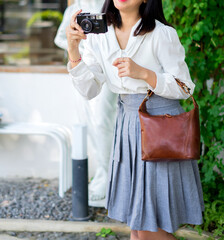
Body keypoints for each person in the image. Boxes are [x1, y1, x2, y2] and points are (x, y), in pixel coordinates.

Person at [66, 0, 205, 239]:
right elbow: (89, 90)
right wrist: (73, 49)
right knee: (138, 227)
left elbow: (185, 88)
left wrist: (144, 73)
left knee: (150, 229)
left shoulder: (162, 34)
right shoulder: (101, 35)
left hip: (160, 126)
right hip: (128, 126)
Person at [54, 0, 118, 203]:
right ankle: (103, 172)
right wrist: (78, 39)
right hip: (82, 69)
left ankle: (110, 175)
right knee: (89, 124)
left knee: (103, 122)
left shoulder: (115, 6)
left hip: (108, 70)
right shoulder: (77, 8)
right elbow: (60, 38)